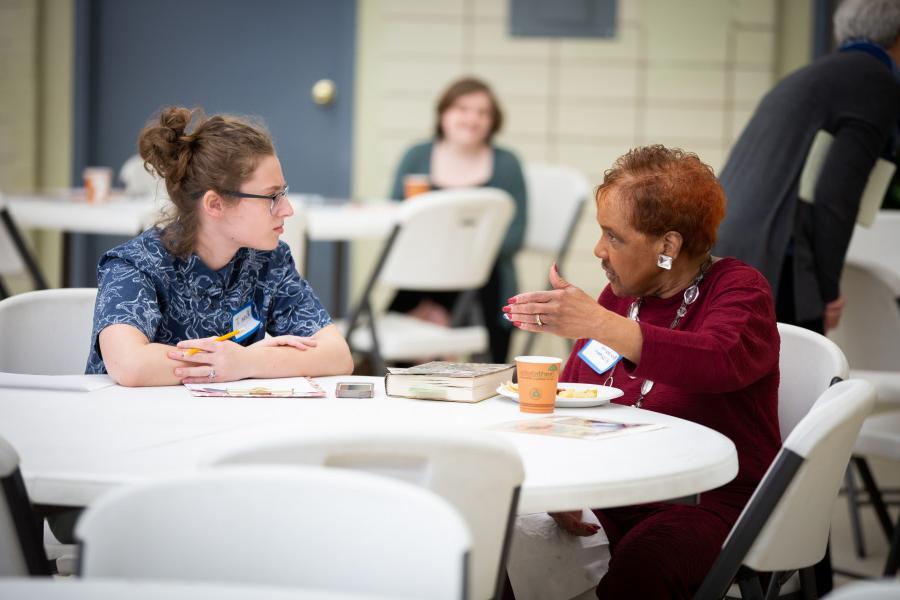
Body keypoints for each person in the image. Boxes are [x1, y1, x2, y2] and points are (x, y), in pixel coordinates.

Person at [504, 145, 782, 599]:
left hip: (710, 502)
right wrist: (558, 489)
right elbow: (573, 393)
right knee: (496, 541)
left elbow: (717, 358)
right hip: (612, 492)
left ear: (668, 246)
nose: (598, 250)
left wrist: (599, 323)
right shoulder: (621, 297)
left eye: (613, 237)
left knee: (644, 569)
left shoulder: (738, 290)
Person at [85, 106, 354, 386]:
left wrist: (247, 361)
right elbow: (131, 365)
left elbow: (337, 355)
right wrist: (231, 362)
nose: (287, 209)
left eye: (283, 193)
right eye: (272, 196)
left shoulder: (268, 260)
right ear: (215, 204)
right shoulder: (135, 265)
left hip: (224, 423)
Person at [714, 0, 900, 335]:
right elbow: (837, 195)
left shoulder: (811, 75)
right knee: (796, 378)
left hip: (728, 246)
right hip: (776, 258)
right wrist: (828, 291)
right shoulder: (873, 80)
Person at [387, 77, 527, 363]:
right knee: (389, 328)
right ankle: (430, 338)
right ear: (443, 113)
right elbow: (396, 217)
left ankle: (438, 325)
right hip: (422, 271)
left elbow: (513, 236)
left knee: (485, 282)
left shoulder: (506, 164)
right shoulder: (417, 156)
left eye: (483, 112)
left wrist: (453, 259)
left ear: (493, 121)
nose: (472, 118)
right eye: (462, 108)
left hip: (486, 276)